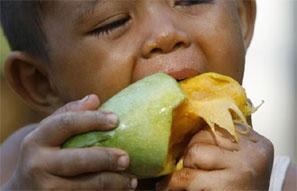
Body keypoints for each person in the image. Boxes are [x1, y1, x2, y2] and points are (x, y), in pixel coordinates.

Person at [0, 0, 295, 190]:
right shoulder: (23, 169)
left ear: (242, 18)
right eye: (113, 22)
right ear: (40, 82)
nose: (166, 35)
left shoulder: (280, 183)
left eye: (191, 0)